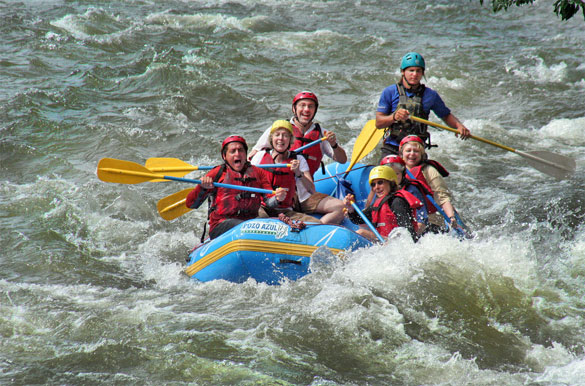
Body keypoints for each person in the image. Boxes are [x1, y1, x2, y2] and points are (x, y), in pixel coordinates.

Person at [249, 91, 347, 224]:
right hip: (276, 194)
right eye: (302, 105)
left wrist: (333, 144)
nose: (306, 109)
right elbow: (253, 155)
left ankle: (314, 232)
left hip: (304, 193)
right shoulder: (278, 130)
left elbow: (342, 160)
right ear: (294, 108)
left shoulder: (321, 134)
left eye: (310, 106)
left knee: (341, 208)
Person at [186, 135, 286, 240]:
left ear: (245, 154)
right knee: (245, 226)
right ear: (224, 156)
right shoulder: (218, 173)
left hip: (249, 224)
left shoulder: (258, 173)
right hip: (221, 225)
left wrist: (278, 198)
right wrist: (202, 188)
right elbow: (191, 204)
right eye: (233, 151)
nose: (237, 154)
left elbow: (269, 201)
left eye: (241, 150)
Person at [375, 52, 471, 158]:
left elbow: (446, 115)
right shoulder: (390, 92)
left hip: (416, 151)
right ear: (403, 72)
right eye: (411, 70)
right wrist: (394, 117)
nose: (415, 74)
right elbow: (379, 123)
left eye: (418, 71)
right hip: (393, 148)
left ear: (422, 73)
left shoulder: (431, 95)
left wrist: (459, 126)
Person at [250, 120, 320, 223]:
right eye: (277, 135)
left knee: (317, 224)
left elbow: (311, 190)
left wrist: (298, 173)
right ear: (271, 138)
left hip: (285, 210)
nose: (280, 139)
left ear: (290, 140)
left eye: (285, 135)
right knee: (260, 220)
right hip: (262, 207)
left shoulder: (298, 159)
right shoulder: (260, 157)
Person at [343, 165, 422, 242]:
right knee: (361, 232)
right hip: (387, 245)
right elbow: (358, 220)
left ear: (391, 183)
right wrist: (351, 209)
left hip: (398, 245)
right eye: (373, 184)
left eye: (380, 182)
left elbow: (408, 233)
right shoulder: (377, 204)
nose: (376, 187)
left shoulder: (397, 202)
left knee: (362, 232)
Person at [399, 135, 459, 230]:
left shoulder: (429, 170)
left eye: (416, 151)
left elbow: (442, 198)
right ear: (401, 154)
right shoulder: (396, 171)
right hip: (407, 220)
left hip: (430, 220)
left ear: (422, 154)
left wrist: (451, 217)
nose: (412, 154)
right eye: (408, 151)